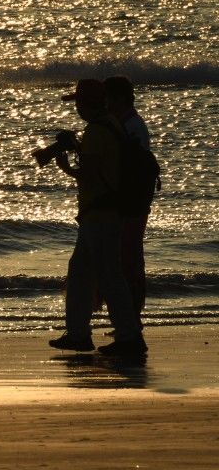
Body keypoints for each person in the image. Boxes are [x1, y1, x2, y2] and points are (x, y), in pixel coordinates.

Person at [48, 79, 147, 356]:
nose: (77, 108)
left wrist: (66, 168)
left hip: (100, 213)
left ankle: (129, 337)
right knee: (80, 273)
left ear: (87, 104)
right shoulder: (111, 125)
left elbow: (89, 173)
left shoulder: (96, 130)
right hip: (103, 212)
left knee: (108, 276)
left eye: (78, 103)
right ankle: (78, 334)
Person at [104, 75, 153, 315]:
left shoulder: (132, 127)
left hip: (132, 201)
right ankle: (129, 316)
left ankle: (131, 315)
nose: (106, 104)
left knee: (129, 257)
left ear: (120, 98)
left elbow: (130, 166)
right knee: (128, 256)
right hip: (132, 201)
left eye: (108, 98)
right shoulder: (129, 124)